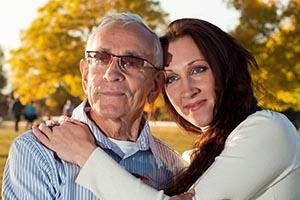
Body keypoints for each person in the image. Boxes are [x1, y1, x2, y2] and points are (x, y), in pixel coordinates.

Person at [33, 18, 300, 200]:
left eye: (198, 69)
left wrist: (84, 154)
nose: (186, 90)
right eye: (172, 78)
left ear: (226, 71)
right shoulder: (191, 159)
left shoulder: (269, 130)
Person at [2, 13, 187, 199]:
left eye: (131, 62)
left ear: (155, 85)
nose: (112, 73)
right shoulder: (36, 152)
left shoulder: (173, 167)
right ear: (85, 76)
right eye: (100, 58)